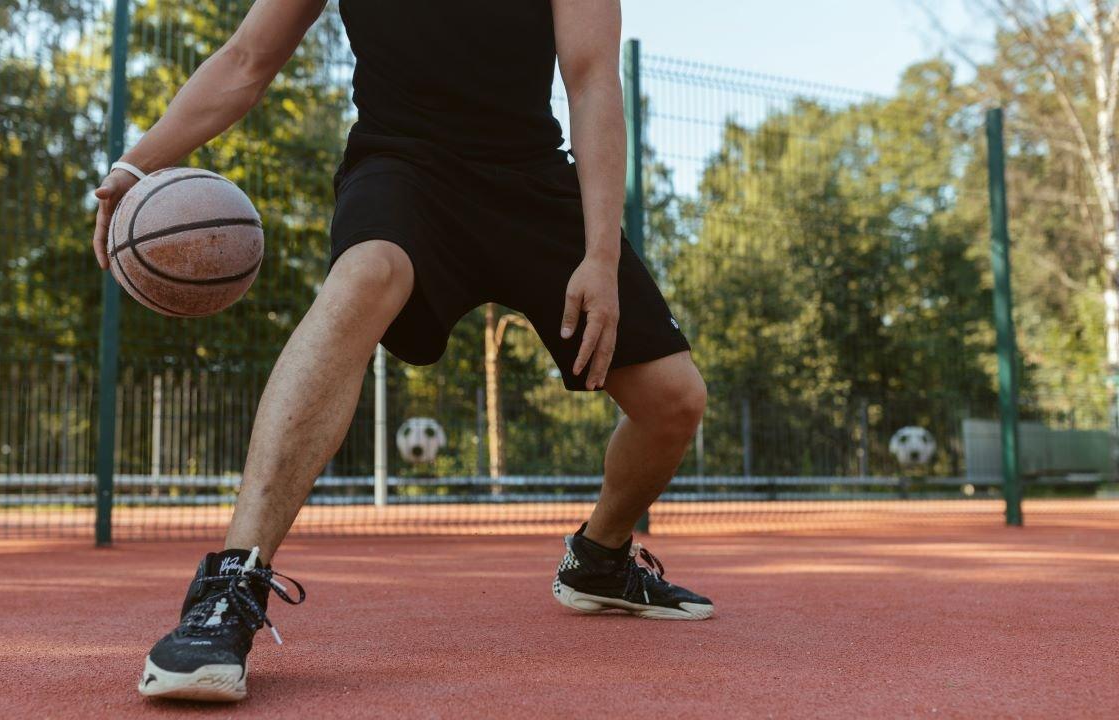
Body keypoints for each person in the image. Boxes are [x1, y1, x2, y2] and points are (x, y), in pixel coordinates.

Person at [92, 0, 714, 703]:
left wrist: (600, 254)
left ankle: (599, 558)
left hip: (533, 179)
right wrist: (134, 165)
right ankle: (230, 585)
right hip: (403, 167)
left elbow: (593, 75)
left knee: (674, 400)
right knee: (364, 277)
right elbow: (246, 59)